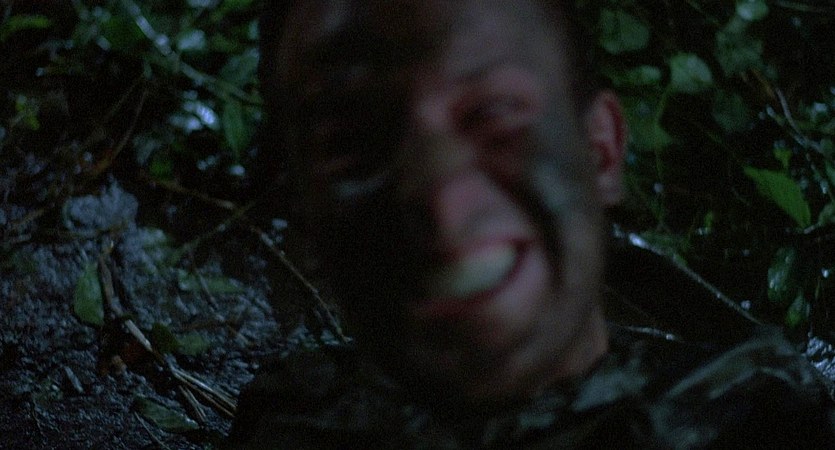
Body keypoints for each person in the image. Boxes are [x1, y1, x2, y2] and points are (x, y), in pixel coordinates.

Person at [226, 1, 835, 447]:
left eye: (494, 112)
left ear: (600, 151)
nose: (443, 204)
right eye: (350, 143)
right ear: (302, 210)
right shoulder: (289, 417)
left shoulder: (760, 418)